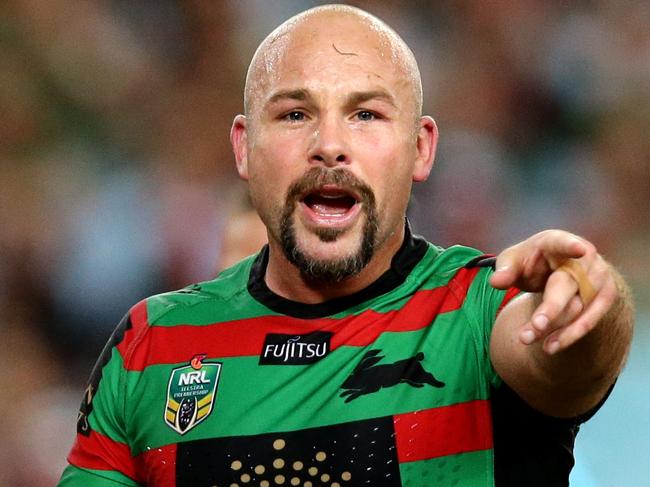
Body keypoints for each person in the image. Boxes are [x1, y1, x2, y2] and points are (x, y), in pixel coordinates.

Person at [58, 5, 634, 486]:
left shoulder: (479, 311)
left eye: (365, 114)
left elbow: (565, 356)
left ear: (420, 148)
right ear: (243, 147)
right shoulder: (152, 344)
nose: (329, 144)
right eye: (294, 114)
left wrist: (586, 302)